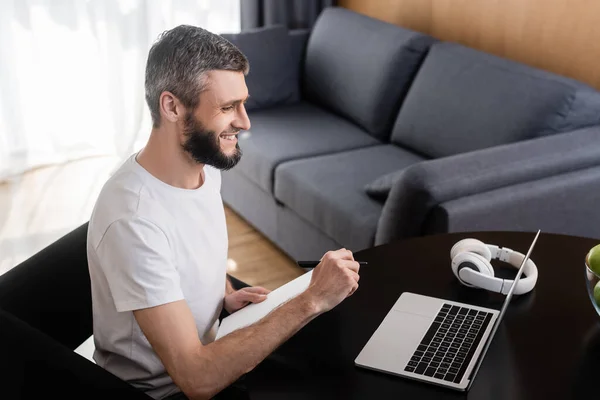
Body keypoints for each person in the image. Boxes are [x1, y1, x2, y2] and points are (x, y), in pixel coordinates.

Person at [86, 24, 361, 400]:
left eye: (243, 103)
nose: (245, 122)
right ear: (172, 106)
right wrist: (310, 298)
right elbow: (196, 379)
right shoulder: (133, 219)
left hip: (215, 339)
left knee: (338, 351)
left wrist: (222, 293)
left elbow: (193, 250)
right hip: (170, 390)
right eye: (228, 108)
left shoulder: (204, 167)